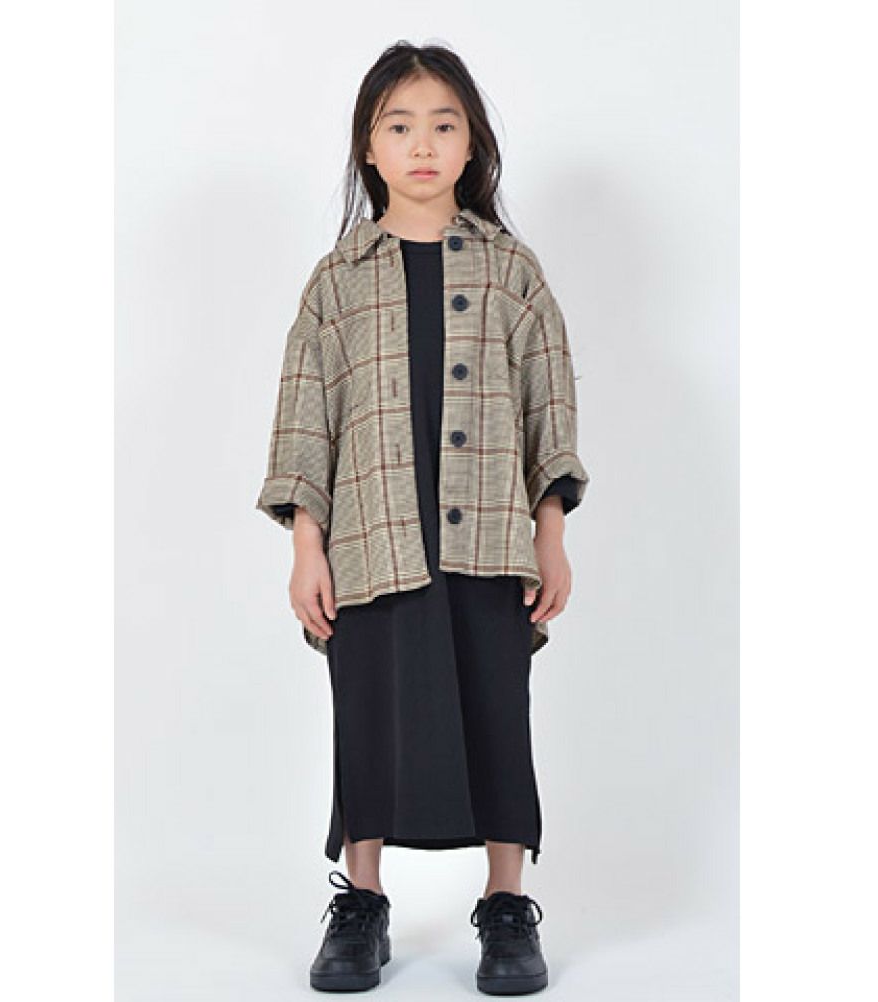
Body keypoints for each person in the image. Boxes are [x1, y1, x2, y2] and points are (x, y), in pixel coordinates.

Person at [256, 40, 590, 996]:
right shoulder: (337, 279)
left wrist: (551, 533)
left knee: (498, 713)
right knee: (367, 714)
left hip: (489, 537)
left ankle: (506, 905)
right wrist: (306, 545)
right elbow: (306, 418)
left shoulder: (512, 270)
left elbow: (549, 407)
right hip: (372, 538)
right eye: (399, 126)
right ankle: (361, 903)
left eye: (444, 125)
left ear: (472, 141)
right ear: (369, 147)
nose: (423, 144)